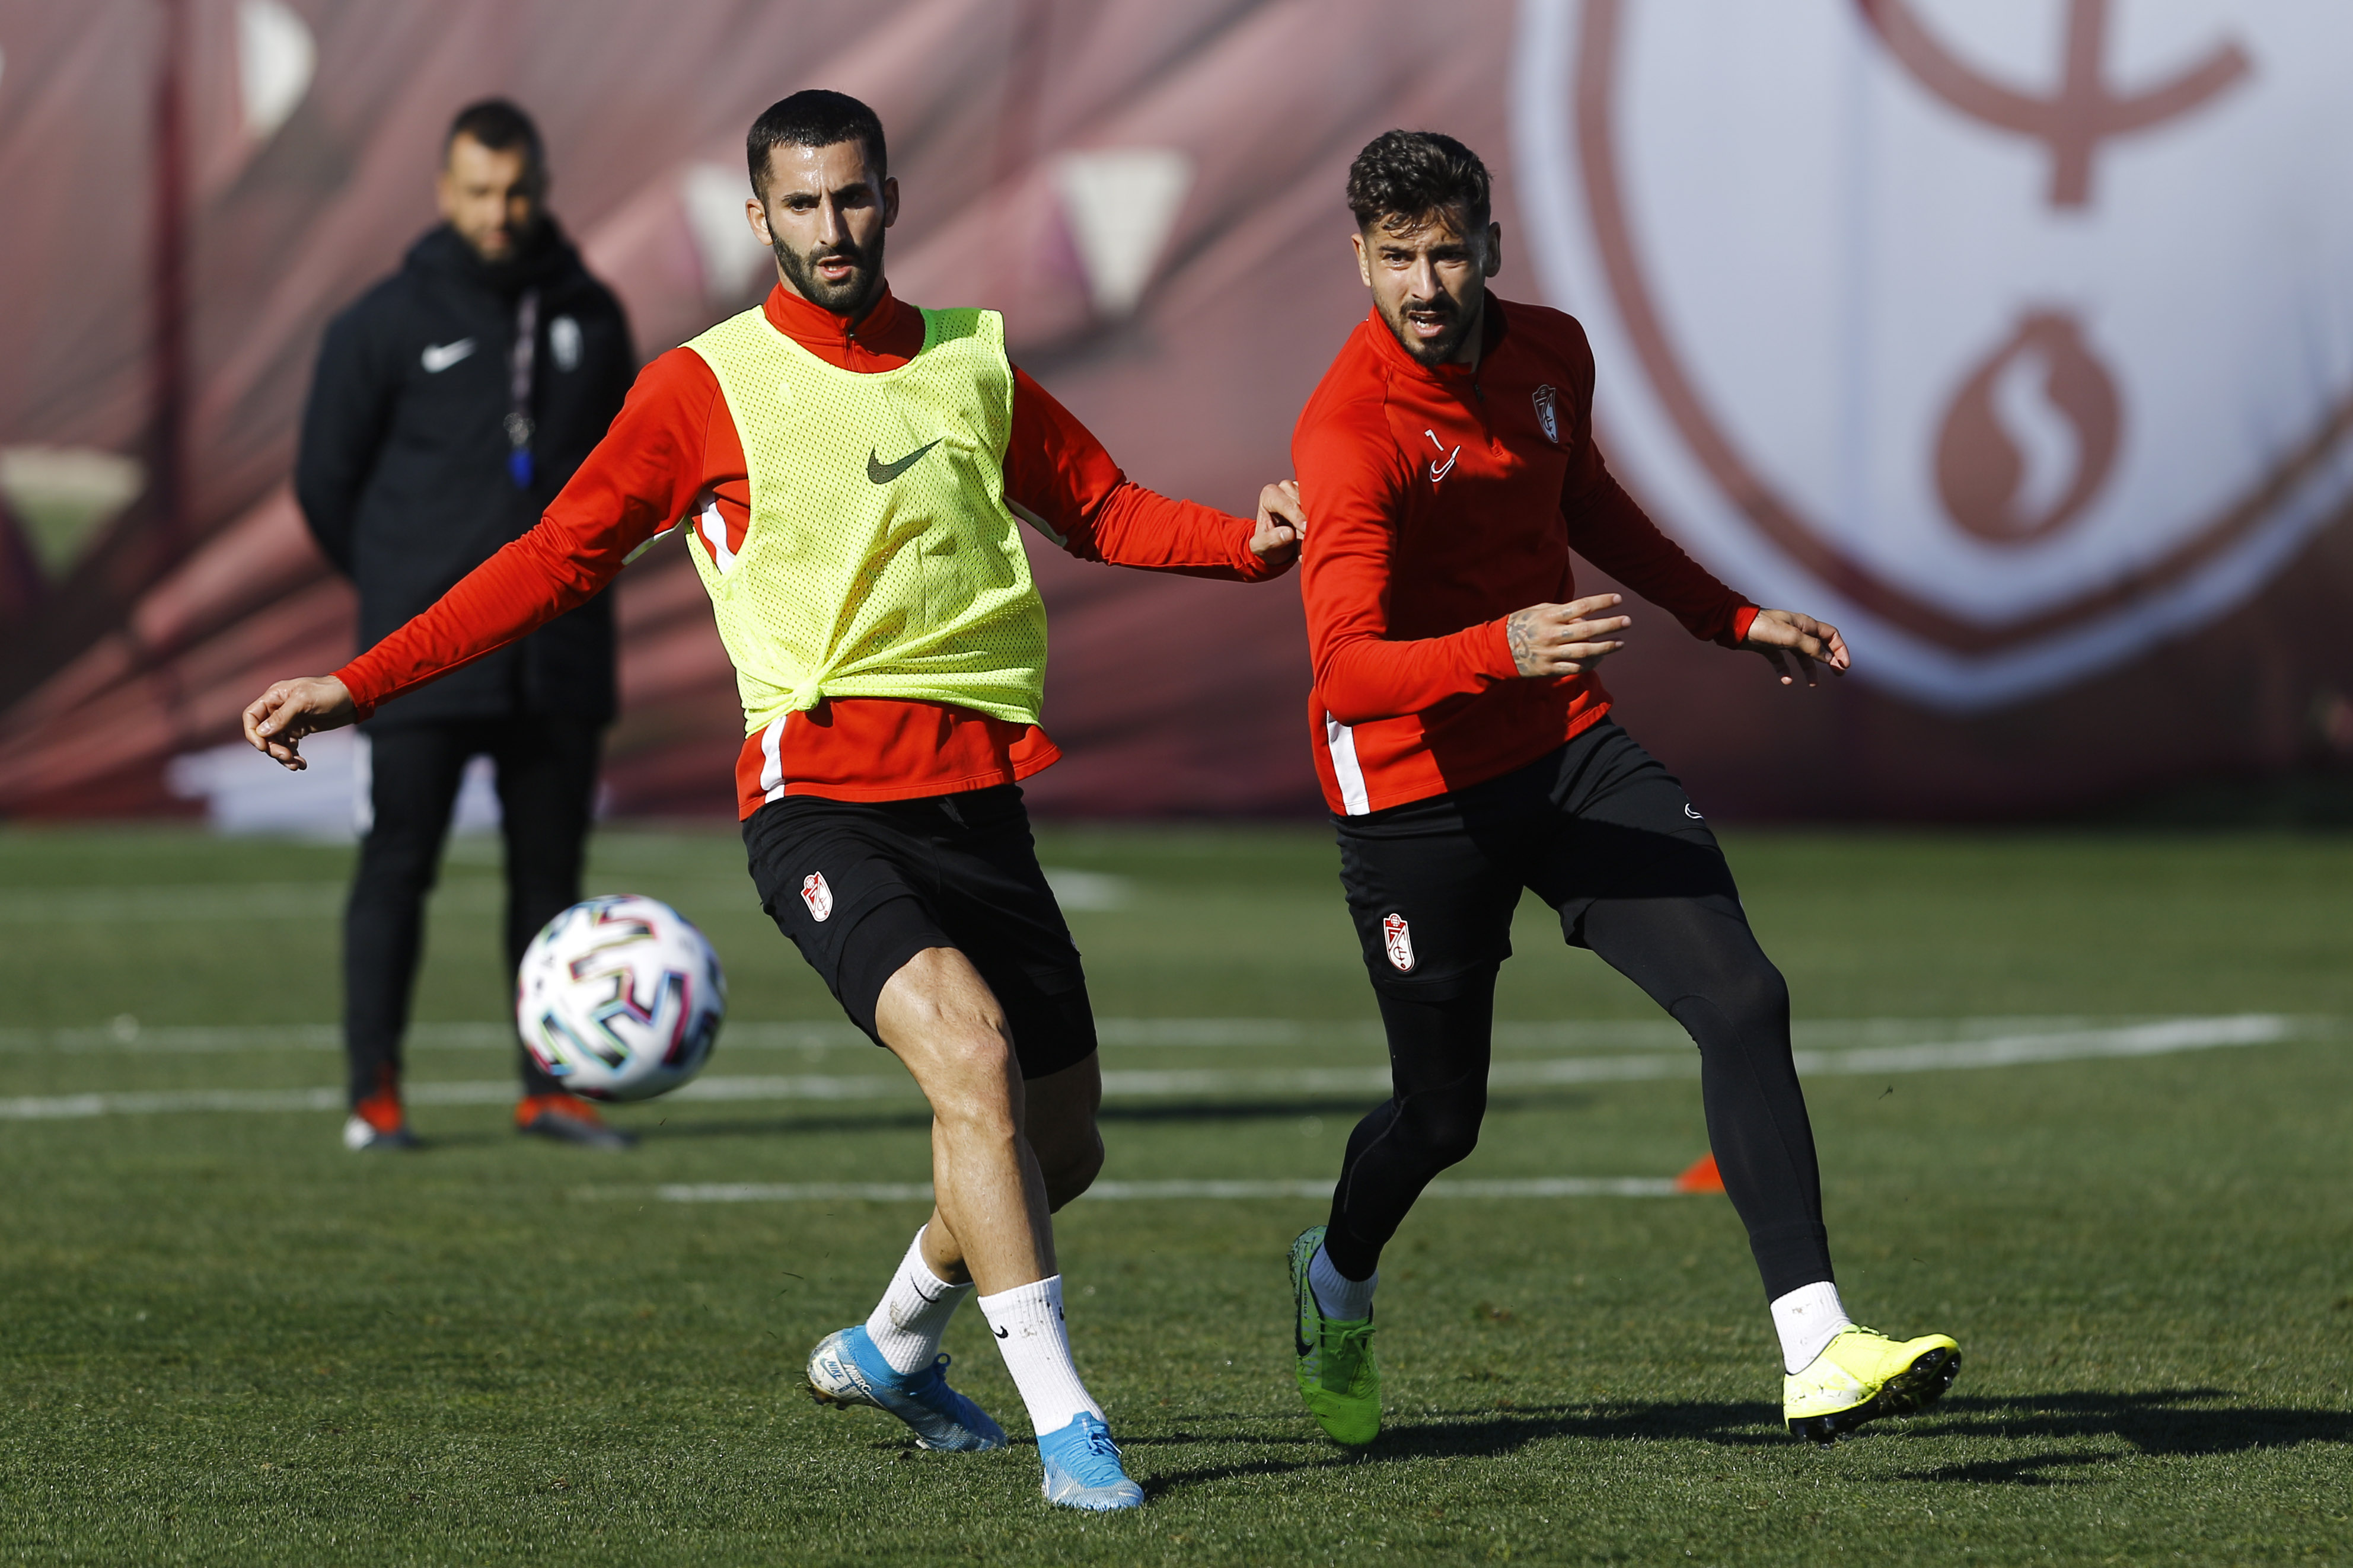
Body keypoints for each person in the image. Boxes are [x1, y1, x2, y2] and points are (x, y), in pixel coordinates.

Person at [245, 90, 1305, 1512]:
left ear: (890, 199)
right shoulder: (704, 385)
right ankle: (1070, 1428)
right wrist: (361, 684)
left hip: (979, 800)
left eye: (852, 198)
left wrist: (1253, 545)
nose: (831, 229)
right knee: (971, 1063)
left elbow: (1102, 507)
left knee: (1062, 1145)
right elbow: (554, 558)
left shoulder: (969, 357)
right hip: (818, 799)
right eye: (800, 206)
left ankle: (893, 1342)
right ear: (759, 218)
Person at [1282, 130, 1959, 1450]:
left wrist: (1730, 617)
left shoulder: (1552, 352)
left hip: (1568, 746)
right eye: (1398, 258)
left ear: (1491, 244)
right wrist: (1505, 646)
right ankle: (1336, 1280)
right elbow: (1348, 674)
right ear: (1356, 258)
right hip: (1415, 795)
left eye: (1449, 251)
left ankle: (1816, 1345)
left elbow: (1587, 498)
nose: (1427, 284)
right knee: (1439, 1116)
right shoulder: (1347, 432)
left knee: (1742, 994)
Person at [296, 100, 637, 1153]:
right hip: (423, 663)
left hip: (560, 659)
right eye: (481, 190)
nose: (502, 211)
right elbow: (324, 484)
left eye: (518, 189)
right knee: (398, 863)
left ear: (543, 186)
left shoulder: (595, 313)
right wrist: (406, 594)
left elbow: (630, 479)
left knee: (550, 882)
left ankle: (554, 1086)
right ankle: (374, 1096)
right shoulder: (381, 323)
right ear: (445, 192)